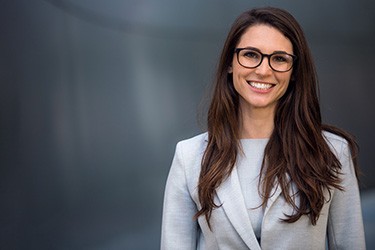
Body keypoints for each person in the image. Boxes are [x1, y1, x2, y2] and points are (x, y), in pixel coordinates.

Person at [161, 6, 365, 250]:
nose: (263, 70)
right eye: (250, 54)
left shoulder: (332, 152)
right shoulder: (189, 156)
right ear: (230, 63)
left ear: (294, 72)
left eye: (279, 59)